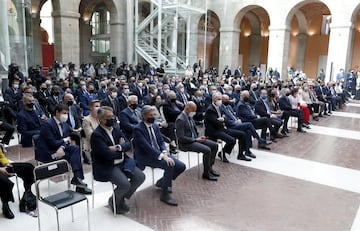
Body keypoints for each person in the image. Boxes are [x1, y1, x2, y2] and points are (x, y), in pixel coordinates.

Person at [91, 106, 145, 214]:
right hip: (107, 165)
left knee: (140, 177)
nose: (112, 119)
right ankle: (114, 202)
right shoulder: (96, 135)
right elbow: (107, 155)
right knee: (124, 184)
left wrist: (117, 148)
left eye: (112, 116)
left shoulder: (116, 128)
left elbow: (128, 144)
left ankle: (120, 198)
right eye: (108, 117)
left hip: (122, 162)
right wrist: (120, 149)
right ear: (100, 119)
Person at [133, 105, 186, 206]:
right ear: (143, 116)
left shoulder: (155, 126)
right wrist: (163, 156)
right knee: (169, 165)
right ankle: (165, 195)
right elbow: (146, 147)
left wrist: (165, 152)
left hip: (159, 153)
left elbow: (161, 142)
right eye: (150, 115)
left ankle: (162, 182)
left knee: (181, 166)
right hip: (145, 156)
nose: (153, 117)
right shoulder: (138, 129)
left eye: (154, 115)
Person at [36, 104, 92, 194]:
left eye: (67, 113)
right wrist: (64, 141)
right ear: (57, 112)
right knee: (74, 155)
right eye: (64, 113)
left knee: (75, 149)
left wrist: (62, 146)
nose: (65, 116)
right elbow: (53, 143)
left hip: (60, 149)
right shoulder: (47, 124)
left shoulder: (64, 124)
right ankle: (78, 182)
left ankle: (77, 179)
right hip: (49, 152)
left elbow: (69, 137)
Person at [175, 102, 219, 181]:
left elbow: (193, 130)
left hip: (195, 139)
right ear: (188, 108)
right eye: (193, 110)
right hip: (186, 143)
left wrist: (199, 137)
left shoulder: (189, 117)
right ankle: (206, 173)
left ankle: (209, 167)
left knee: (214, 145)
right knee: (207, 150)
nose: (194, 113)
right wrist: (195, 139)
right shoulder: (180, 119)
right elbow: (181, 137)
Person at [204, 93, 251, 162]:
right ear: (214, 100)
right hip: (214, 131)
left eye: (221, 99)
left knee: (242, 134)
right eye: (218, 99)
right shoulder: (210, 109)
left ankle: (240, 155)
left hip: (222, 129)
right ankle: (223, 152)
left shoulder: (219, 108)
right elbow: (216, 123)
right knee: (232, 140)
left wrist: (222, 119)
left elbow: (226, 119)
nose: (220, 101)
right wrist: (222, 120)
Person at [0, 149, 36, 219]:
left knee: (29, 168)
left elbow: (1, 156)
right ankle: (5, 205)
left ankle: (27, 194)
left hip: (1, 166)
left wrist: (6, 163)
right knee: (5, 182)